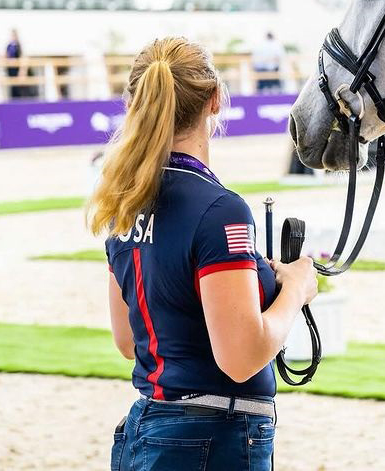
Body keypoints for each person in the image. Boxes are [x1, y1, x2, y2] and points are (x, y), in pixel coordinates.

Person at [87, 37, 318, 471]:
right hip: (211, 435)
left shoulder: (124, 199)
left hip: (149, 427)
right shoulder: (219, 209)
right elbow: (241, 357)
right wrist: (296, 290)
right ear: (214, 100)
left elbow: (127, 340)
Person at [5, 29, 22, 99]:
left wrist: (21, 71)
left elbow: (21, 56)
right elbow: (6, 55)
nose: (13, 37)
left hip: (17, 68)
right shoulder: (9, 45)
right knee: (12, 86)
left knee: (18, 86)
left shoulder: (18, 45)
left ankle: (18, 99)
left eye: (14, 35)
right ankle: (12, 98)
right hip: (10, 68)